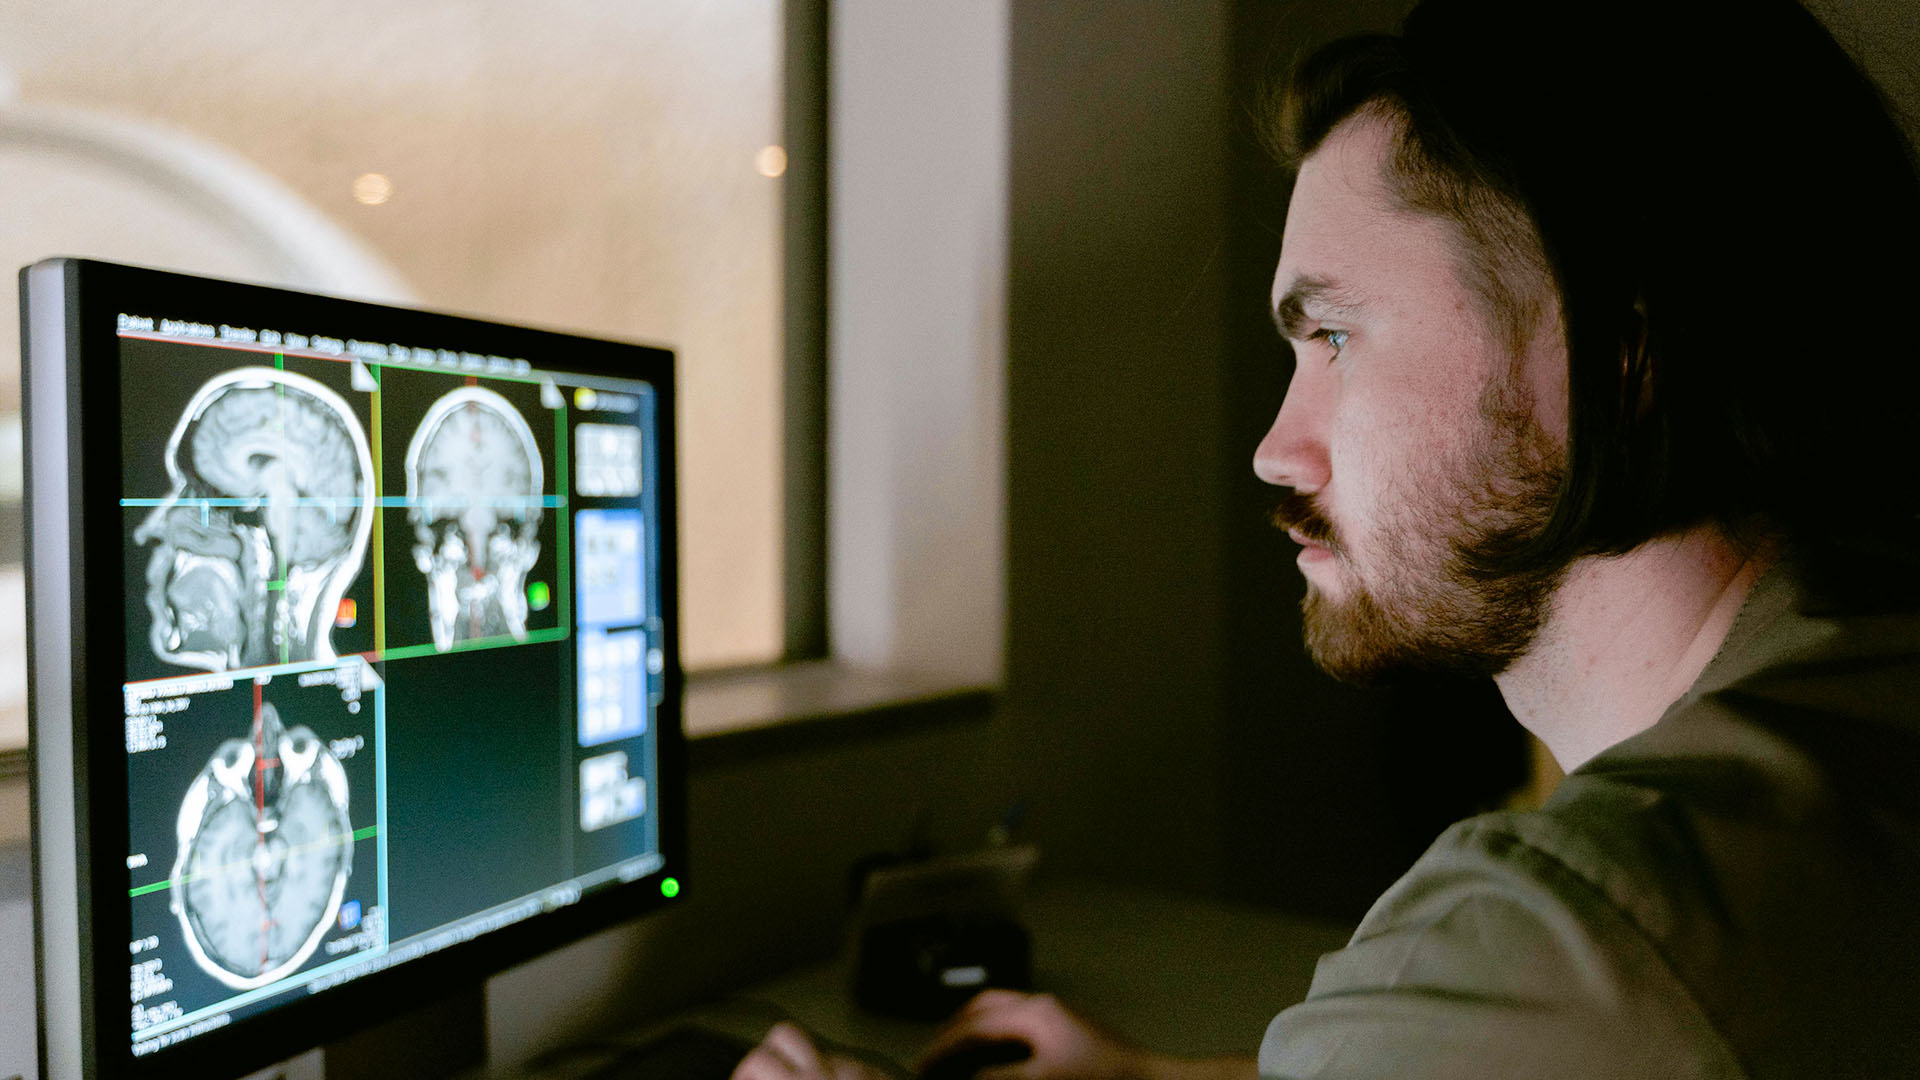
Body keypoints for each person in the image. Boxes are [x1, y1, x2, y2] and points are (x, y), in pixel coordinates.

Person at [734, 0, 1920, 1076]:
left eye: (1336, 338)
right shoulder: (1857, 707)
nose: (1273, 449)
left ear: (1618, 358)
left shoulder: (1565, 938)